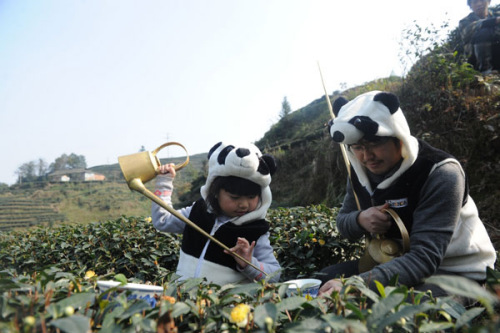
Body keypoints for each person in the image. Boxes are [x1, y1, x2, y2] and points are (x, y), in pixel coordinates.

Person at [319, 90, 497, 297]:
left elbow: (424, 258)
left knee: (403, 313)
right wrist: (359, 219)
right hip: (396, 262)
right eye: (357, 147)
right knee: (322, 278)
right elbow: (343, 222)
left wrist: (355, 285)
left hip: (455, 272)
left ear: (398, 137)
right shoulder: (360, 173)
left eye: (375, 144)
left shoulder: (440, 173)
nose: (367, 156)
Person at [151, 141, 281, 285]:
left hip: (223, 306)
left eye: (251, 197)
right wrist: (164, 182)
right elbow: (162, 220)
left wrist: (248, 263)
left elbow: (274, 276)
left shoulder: (256, 231)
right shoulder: (198, 212)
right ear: (216, 192)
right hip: (184, 300)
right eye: (235, 197)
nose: (244, 204)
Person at [458, 0, 500, 74]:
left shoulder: (496, 14)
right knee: (483, 32)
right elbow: (472, 28)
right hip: (476, 61)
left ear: (489, 2)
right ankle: (485, 70)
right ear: (470, 5)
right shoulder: (465, 21)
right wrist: (494, 21)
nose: (479, 4)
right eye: (475, 2)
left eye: (482, 0)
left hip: (496, 56)